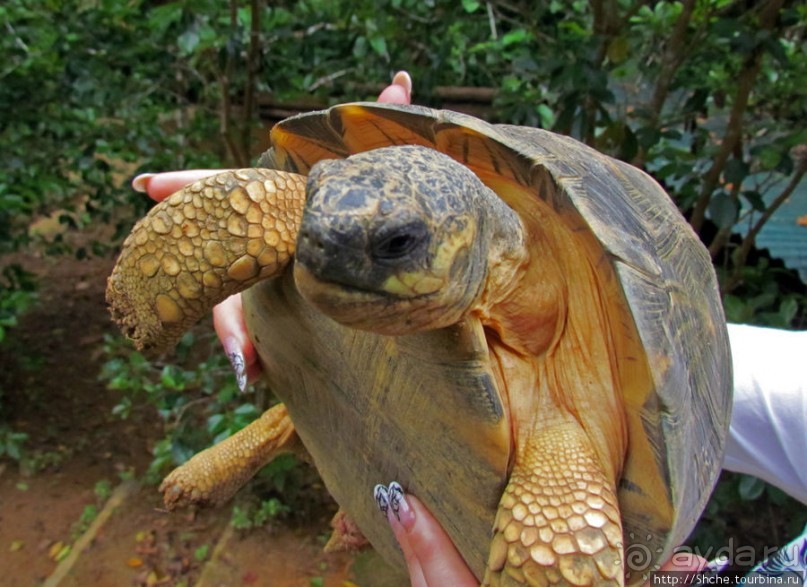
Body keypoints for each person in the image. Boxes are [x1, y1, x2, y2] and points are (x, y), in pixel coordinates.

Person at [131, 71, 807, 586]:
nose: (319, 242)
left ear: (472, 241)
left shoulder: (572, 438)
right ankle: (280, 427)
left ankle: (275, 434)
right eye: (317, 201)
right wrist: (259, 214)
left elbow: (688, 384)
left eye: (396, 242)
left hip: (557, 451)